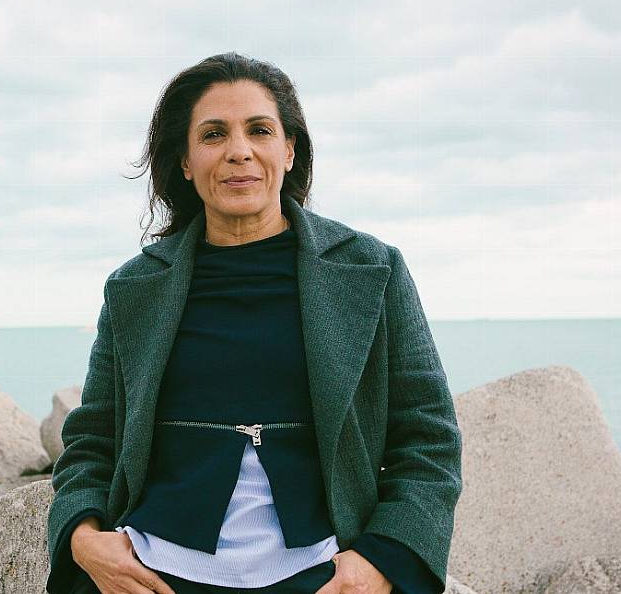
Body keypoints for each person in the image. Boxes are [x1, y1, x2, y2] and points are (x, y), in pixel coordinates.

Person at [46, 52, 462, 594]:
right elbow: (92, 441)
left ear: (289, 150)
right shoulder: (134, 287)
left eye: (259, 130)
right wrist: (84, 538)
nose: (239, 151)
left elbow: (428, 442)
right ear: (186, 161)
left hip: (326, 572)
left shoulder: (373, 269)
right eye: (214, 134)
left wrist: (381, 563)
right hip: (152, 571)